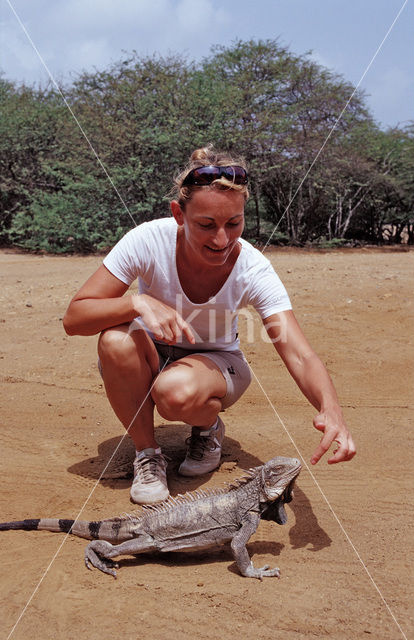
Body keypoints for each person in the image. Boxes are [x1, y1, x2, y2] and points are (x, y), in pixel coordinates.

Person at [63, 145, 356, 505]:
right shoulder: (147, 240)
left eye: (234, 223)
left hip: (217, 365)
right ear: (179, 214)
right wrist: (137, 302)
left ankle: (208, 428)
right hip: (152, 353)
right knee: (114, 341)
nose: (222, 240)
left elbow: (299, 353)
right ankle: (148, 455)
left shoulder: (253, 268)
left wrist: (331, 408)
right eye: (206, 224)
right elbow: (75, 318)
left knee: (175, 393)